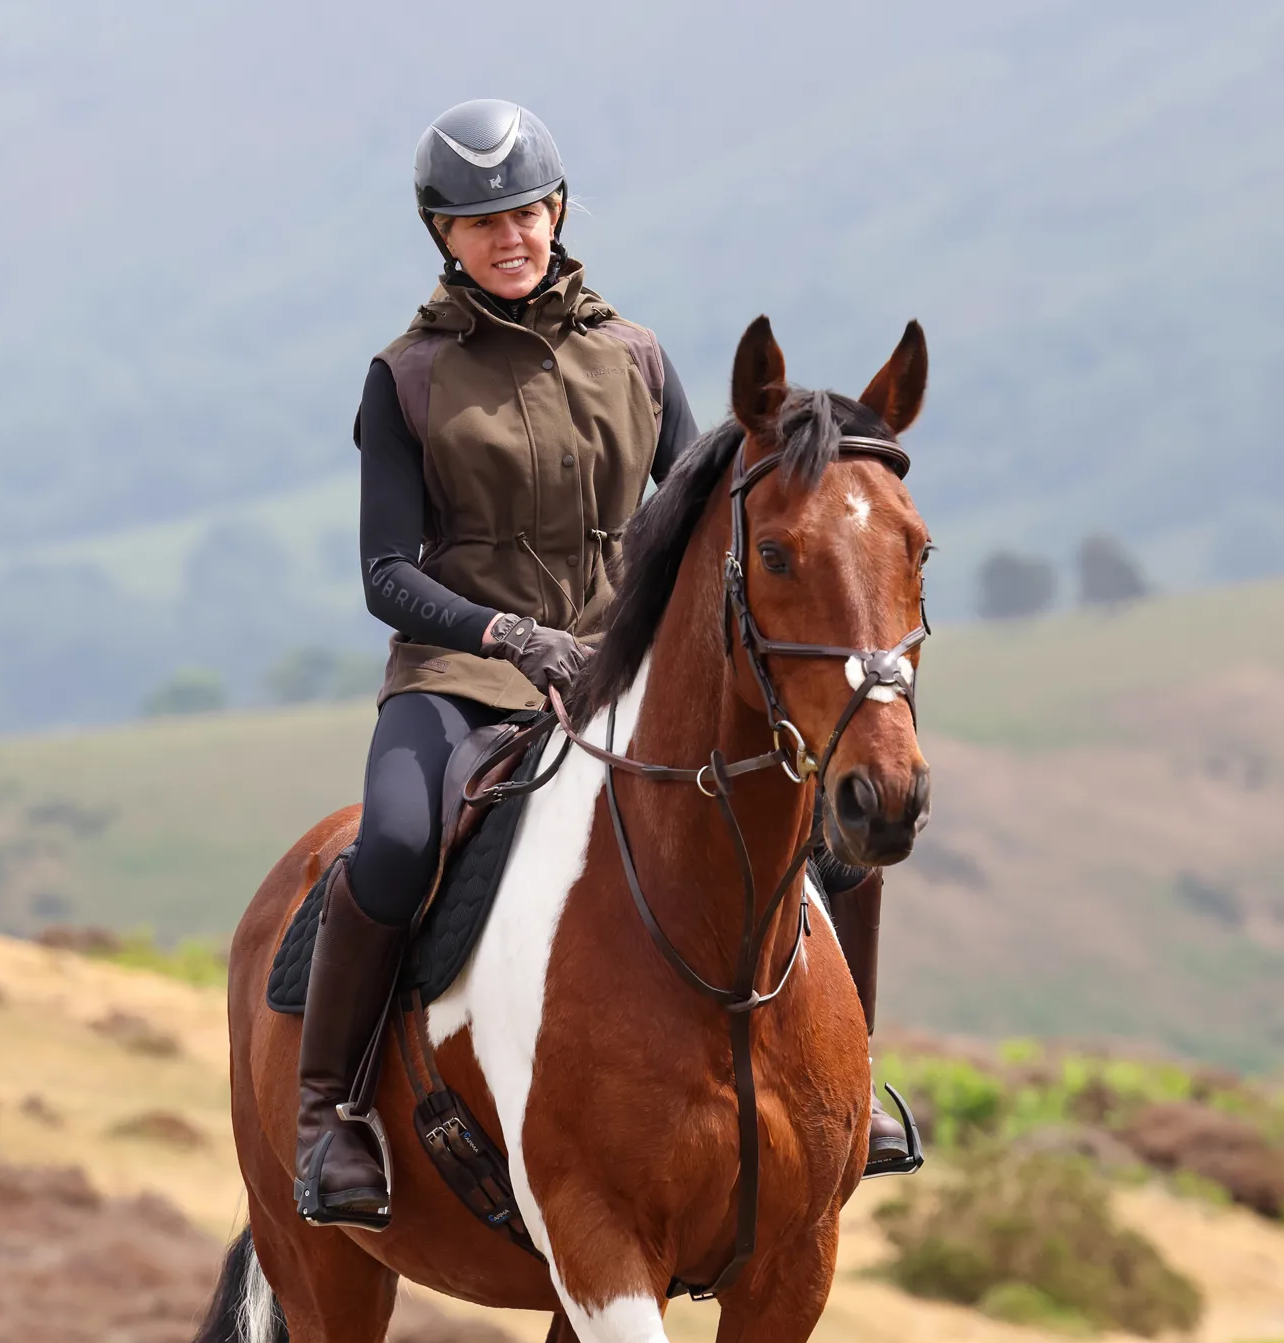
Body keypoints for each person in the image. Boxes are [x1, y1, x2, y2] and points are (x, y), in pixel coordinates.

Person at [295, 98, 913, 1230]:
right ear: (442, 235)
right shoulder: (406, 377)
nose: (509, 235)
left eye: (525, 212)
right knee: (392, 844)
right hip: (461, 678)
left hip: (620, 668)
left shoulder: (636, 356)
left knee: (829, 831)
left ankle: (851, 1085)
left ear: (559, 212)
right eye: (480, 221)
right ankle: (330, 1112)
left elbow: (702, 521)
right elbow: (385, 573)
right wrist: (509, 637)